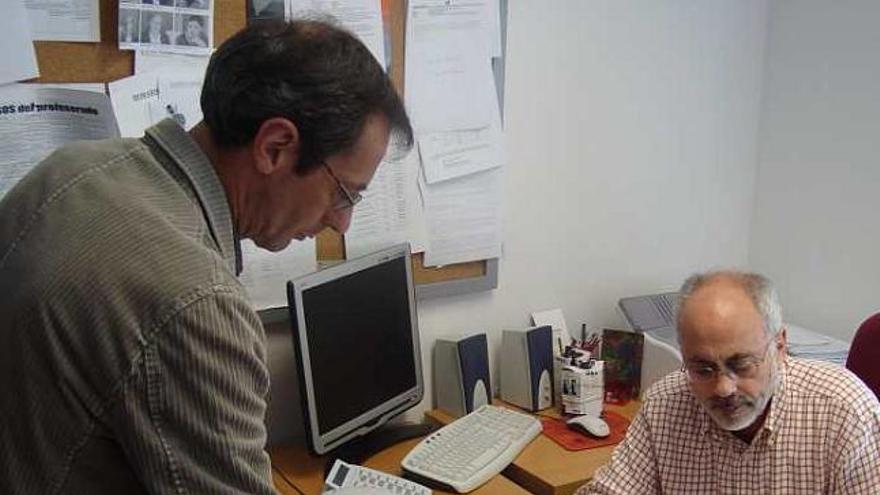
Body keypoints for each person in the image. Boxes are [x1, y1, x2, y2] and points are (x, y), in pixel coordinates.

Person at [0, 19, 412, 495]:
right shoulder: (194, 301)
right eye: (345, 194)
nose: (341, 224)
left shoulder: (71, 169)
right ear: (275, 147)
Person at [576, 270, 880, 494]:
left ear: (780, 346)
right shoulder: (665, 403)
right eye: (703, 369)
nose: (723, 388)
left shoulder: (846, 412)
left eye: (742, 364)